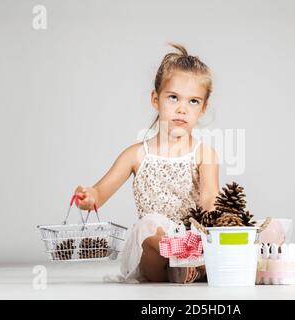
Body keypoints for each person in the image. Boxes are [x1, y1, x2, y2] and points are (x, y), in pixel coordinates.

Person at [73, 43, 219, 283]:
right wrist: (89, 197)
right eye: (173, 98)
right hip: (154, 256)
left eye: (193, 102)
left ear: (203, 108)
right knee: (148, 225)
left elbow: (210, 199)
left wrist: (217, 226)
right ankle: (184, 261)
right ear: (155, 99)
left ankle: (190, 266)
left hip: (191, 241)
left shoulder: (204, 154)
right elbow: (100, 192)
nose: (182, 109)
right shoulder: (136, 155)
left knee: (265, 230)